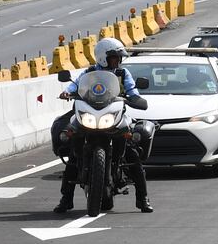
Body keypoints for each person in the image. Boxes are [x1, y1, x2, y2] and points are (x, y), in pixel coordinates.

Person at [53, 38, 153, 214]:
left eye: (118, 57)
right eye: (114, 57)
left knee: (132, 155)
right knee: (73, 155)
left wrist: (135, 98)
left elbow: (132, 90)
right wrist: (67, 92)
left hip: (114, 114)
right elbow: (75, 84)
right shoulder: (89, 72)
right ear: (103, 58)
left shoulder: (123, 74)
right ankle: (66, 199)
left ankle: (143, 198)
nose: (118, 61)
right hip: (91, 114)